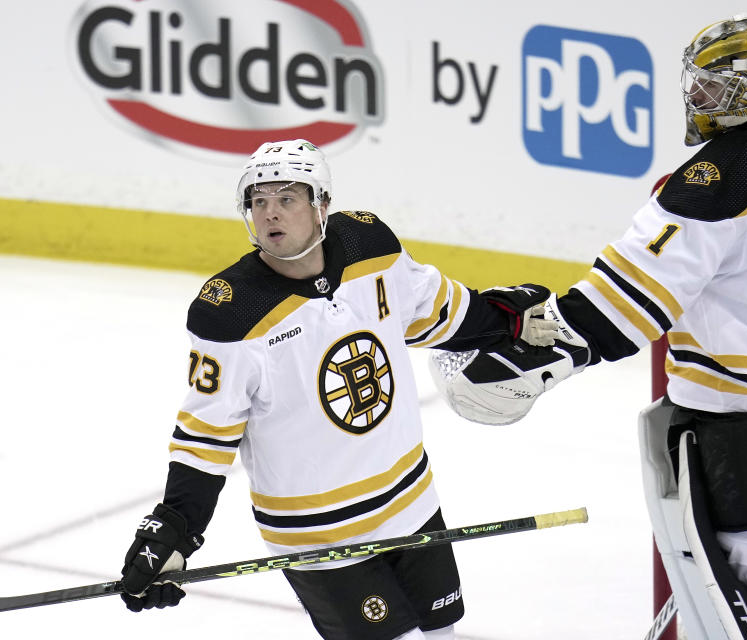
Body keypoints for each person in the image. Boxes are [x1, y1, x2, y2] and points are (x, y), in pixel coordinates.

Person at [430, 14, 747, 640]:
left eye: (713, 88)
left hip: (743, 393)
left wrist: (533, 346)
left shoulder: (711, 186)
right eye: (695, 85)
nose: (696, 99)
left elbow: (623, 304)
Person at [118, 138, 558, 640]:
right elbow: (206, 435)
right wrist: (175, 528)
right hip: (319, 533)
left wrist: (505, 321)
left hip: (411, 499)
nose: (270, 214)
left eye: (287, 198)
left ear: (322, 204)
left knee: (443, 634)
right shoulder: (229, 311)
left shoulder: (368, 246)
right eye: (259, 201)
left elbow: (433, 307)